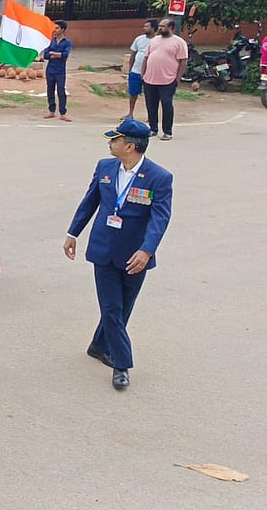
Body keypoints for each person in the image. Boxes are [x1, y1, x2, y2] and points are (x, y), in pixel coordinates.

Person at [64, 119, 173, 391]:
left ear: (130, 146)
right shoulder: (105, 167)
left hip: (135, 255)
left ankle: (99, 345)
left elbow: (160, 218)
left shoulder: (159, 177)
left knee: (123, 307)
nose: (110, 143)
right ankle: (121, 364)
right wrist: (73, 233)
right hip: (103, 249)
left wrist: (147, 250)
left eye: (115, 139)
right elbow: (89, 202)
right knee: (112, 308)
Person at [142, 18, 188, 141]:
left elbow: (183, 61)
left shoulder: (179, 42)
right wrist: (143, 73)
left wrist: (177, 79)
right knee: (151, 105)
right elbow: (146, 57)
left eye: (163, 26)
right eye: (160, 26)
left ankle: (167, 131)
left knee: (166, 104)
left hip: (168, 80)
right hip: (150, 79)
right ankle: (153, 128)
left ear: (171, 28)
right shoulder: (154, 40)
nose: (160, 28)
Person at [43, 20, 72, 122]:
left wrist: (53, 53)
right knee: (50, 90)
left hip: (60, 70)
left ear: (62, 30)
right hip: (50, 69)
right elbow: (46, 55)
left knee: (61, 90)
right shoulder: (51, 41)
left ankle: (63, 113)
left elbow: (65, 54)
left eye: (57, 28)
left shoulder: (67, 42)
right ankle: (51, 111)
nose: (55, 30)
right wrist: (57, 54)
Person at [126, 20, 155, 121]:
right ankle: (130, 113)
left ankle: (151, 115)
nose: (144, 28)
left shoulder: (157, 41)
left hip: (150, 73)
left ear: (153, 28)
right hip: (136, 71)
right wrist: (130, 70)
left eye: (147, 26)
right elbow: (133, 55)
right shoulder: (139, 39)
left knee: (150, 95)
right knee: (133, 93)